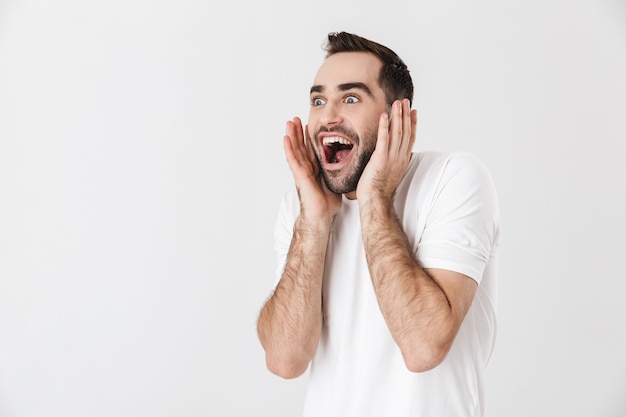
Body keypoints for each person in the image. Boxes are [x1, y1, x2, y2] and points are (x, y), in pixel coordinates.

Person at [256, 31, 500, 417]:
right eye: (318, 100)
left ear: (397, 115)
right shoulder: (303, 208)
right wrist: (315, 220)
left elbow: (423, 348)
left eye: (350, 98)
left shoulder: (453, 178)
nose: (328, 116)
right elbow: (285, 361)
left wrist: (375, 198)